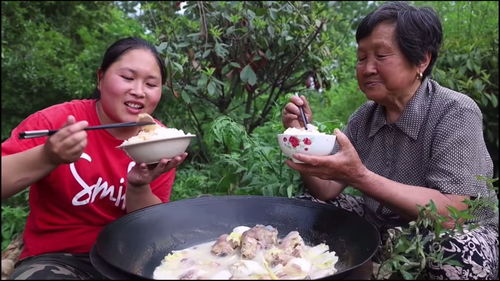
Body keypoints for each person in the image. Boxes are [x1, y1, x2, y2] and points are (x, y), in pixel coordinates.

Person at [281, 2, 498, 280]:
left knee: (457, 249)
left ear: (422, 60)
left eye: (381, 55)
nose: (368, 68)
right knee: (310, 208)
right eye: (361, 58)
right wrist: (302, 140)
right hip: (383, 226)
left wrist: (360, 177)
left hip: (454, 232)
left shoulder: (455, 111)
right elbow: (327, 189)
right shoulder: (364, 117)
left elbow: (452, 212)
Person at [1, 37, 188, 279]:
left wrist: (138, 186)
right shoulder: (56, 122)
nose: (139, 91)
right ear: (100, 78)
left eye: (151, 84)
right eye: (128, 78)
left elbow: (151, 228)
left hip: (130, 257)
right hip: (57, 258)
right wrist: (48, 156)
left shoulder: (162, 140)